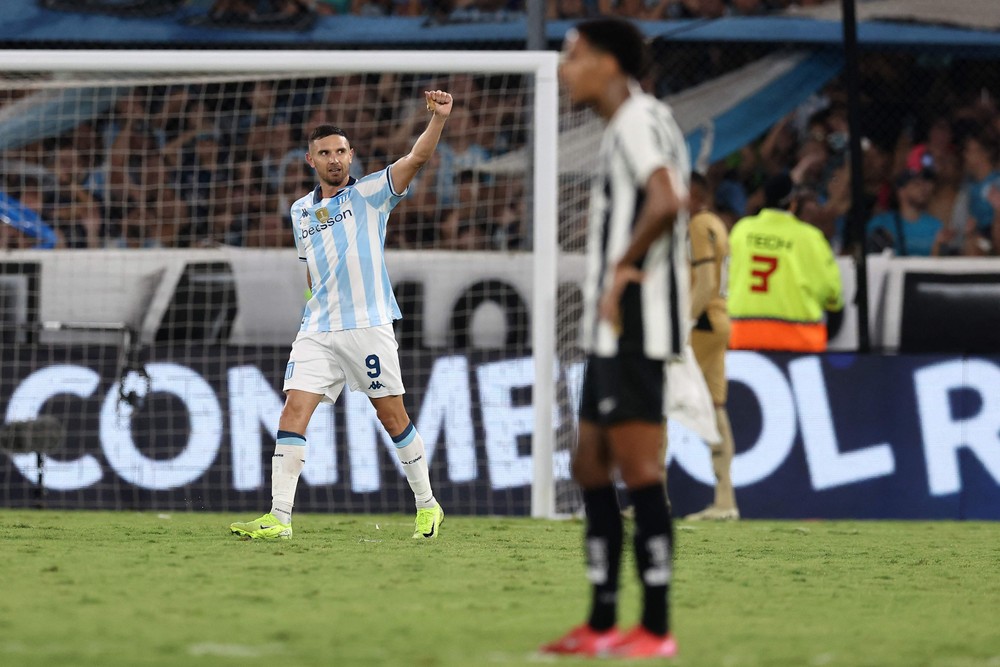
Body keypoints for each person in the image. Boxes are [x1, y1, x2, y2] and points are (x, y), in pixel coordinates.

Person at [230, 89, 454, 540]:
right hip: (317, 329)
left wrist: (439, 120)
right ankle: (279, 517)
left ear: (351, 155)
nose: (335, 159)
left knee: (392, 416)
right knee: (293, 409)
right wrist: (314, 310)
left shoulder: (372, 193)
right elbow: (311, 272)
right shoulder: (300, 211)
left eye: (341, 151)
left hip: (368, 325)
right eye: (324, 153)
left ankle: (428, 506)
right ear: (310, 161)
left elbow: (417, 158)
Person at [542, 18, 688, 659]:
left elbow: (666, 199)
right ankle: (602, 622)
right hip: (613, 331)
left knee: (636, 470)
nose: (562, 70)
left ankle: (654, 629)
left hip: (636, 324)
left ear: (606, 63)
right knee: (588, 465)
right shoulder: (626, 124)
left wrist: (625, 265)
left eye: (572, 57)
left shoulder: (635, 121)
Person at [728, 173, 844, 353]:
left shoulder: (741, 231)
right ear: (793, 202)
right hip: (798, 340)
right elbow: (830, 291)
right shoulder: (810, 237)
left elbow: (724, 279)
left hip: (742, 336)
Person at [683, 172, 739, 521]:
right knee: (716, 407)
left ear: (692, 193)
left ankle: (653, 498)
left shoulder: (697, 225)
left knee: (656, 400)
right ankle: (725, 500)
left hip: (701, 322)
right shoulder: (717, 224)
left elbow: (704, 283)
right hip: (720, 318)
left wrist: (681, 324)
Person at [866, 168, 949, 257]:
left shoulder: (936, 226)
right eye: (916, 184)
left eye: (924, 183)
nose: (923, 188)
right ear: (901, 191)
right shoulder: (881, 223)